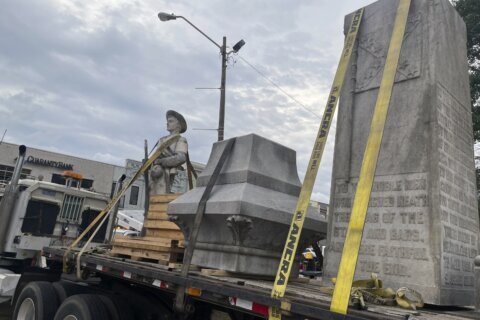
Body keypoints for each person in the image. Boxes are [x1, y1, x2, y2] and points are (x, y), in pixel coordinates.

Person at [149, 110, 188, 195]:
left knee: (161, 195)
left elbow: (181, 158)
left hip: (167, 174)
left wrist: (161, 161)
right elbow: (155, 157)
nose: (167, 123)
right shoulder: (161, 140)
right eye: (167, 121)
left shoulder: (180, 140)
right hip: (155, 173)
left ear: (178, 125)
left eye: (170, 121)